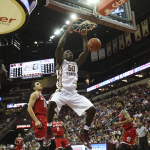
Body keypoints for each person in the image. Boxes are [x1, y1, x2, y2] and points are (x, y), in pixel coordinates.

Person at [43, 26, 96, 149]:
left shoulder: (76, 63)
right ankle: (49, 130)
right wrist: (66, 33)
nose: (69, 53)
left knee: (92, 109)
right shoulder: (61, 62)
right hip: (61, 92)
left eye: (71, 52)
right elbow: (59, 47)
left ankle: (84, 133)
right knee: (51, 103)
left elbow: (85, 52)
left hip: (73, 93)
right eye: (67, 52)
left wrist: (84, 36)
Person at [27, 81, 56, 150]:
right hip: (39, 119)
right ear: (34, 88)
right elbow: (29, 108)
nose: (40, 84)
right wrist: (36, 120)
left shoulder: (42, 96)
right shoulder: (35, 94)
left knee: (53, 145)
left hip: (45, 119)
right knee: (44, 145)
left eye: (40, 83)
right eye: (37, 84)